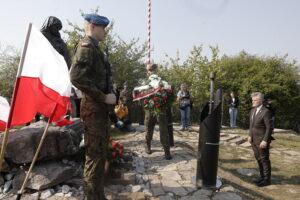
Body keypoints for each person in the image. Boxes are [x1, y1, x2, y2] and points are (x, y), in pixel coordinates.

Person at [70, 13, 116, 200]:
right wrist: (103, 97)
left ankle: (98, 195)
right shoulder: (87, 47)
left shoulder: (97, 49)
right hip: (94, 109)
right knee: (94, 157)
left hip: (100, 110)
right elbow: (76, 77)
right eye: (102, 27)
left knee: (100, 155)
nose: (105, 31)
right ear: (92, 26)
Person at [144, 63, 172, 160]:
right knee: (149, 128)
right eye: (150, 70)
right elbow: (141, 95)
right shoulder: (144, 82)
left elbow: (168, 93)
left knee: (163, 129)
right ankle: (147, 145)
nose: (152, 71)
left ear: (157, 70)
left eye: (153, 69)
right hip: (150, 109)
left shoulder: (162, 81)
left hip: (160, 109)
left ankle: (166, 150)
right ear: (147, 71)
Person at [248, 92, 273, 187]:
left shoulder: (266, 112)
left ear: (260, 100)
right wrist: (250, 135)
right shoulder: (252, 111)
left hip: (262, 140)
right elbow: (251, 125)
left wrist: (265, 140)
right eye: (252, 100)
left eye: (254, 100)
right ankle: (262, 177)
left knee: (264, 159)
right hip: (254, 140)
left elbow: (269, 128)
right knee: (258, 159)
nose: (252, 102)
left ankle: (267, 180)